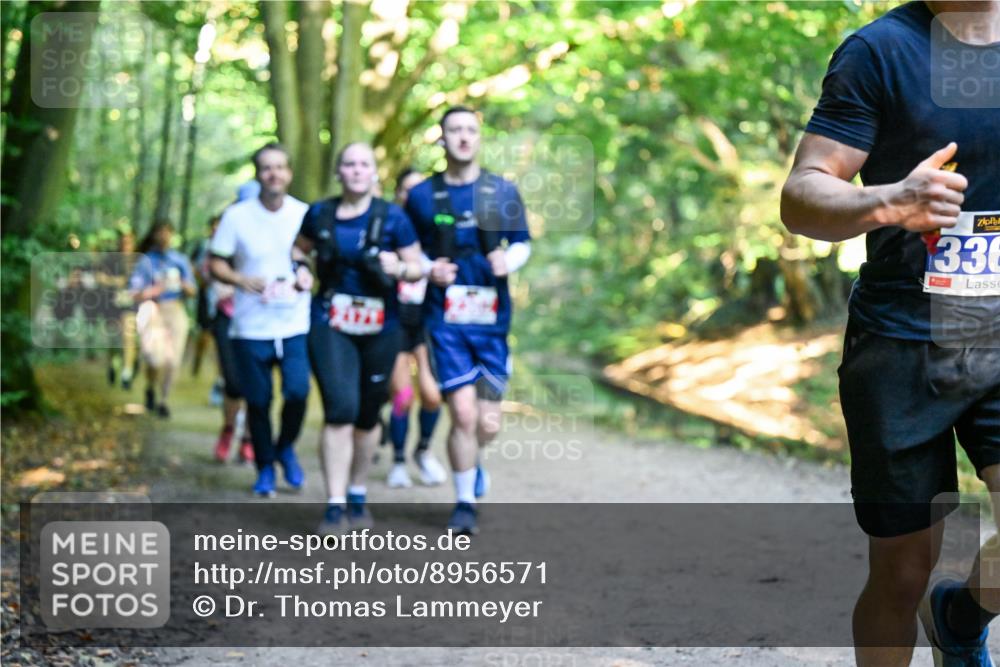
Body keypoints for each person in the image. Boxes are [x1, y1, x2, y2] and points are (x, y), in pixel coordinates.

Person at [781, 2, 1000, 665]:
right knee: (902, 570)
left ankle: (961, 615)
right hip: (903, 338)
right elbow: (800, 195)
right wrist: (885, 200)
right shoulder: (879, 51)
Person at [405, 106, 532, 535]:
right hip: (445, 321)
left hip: (492, 323)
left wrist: (507, 260)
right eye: (454, 130)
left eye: (470, 130)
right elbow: (409, 250)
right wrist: (428, 268)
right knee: (461, 413)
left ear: (479, 138)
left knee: (487, 422)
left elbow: (522, 243)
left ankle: (474, 460)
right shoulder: (422, 195)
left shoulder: (503, 191)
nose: (462, 137)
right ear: (441, 138)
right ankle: (464, 504)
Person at [295, 142, 424, 534]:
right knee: (340, 409)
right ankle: (334, 504)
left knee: (368, 416)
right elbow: (298, 252)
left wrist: (400, 267)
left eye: (363, 164)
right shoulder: (319, 213)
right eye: (348, 164)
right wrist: (300, 271)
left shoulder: (394, 218)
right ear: (339, 172)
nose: (355, 170)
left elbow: (418, 267)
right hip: (331, 322)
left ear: (374, 173)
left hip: (381, 327)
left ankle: (356, 491)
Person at [209, 142, 311, 497]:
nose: (274, 174)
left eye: (280, 167)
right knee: (259, 400)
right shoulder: (237, 216)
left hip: (295, 322)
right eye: (267, 168)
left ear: (290, 173)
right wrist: (239, 280)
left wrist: (308, 275)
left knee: (298, 391)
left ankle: (286, 447)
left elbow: (317, 260)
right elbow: (216, 262)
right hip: (250, 326)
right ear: (258, 174)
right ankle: (265, 466)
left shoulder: (304, 213)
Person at [385, 167, 447, 489]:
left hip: (425, 323)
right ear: (398, 194)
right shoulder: (389, 230)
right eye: (407, 190)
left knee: (433, 396)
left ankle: (422, 451)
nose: (413, 196)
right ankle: (397, 460)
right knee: (403, 396)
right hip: (395, 323)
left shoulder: (437, 235)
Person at [198, 214, 252, 465]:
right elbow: (208, 278)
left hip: (260, 319)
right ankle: (229, 429)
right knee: (234, 382)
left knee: (258, 383)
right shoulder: (216, 252)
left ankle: (249, 438)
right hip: (227, 317)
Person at [129, 220, 197, 418]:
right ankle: (150, 386)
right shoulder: (145, 260)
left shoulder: (180, 260)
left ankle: (163, 399)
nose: (164, 236)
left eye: (167, 232)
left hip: (175, 309)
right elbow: (134, 291)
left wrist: (184, 285)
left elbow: (193, 290)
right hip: (152, 310)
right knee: (154, 358)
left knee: (173, 360)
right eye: (160, 232)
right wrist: (153, 290)